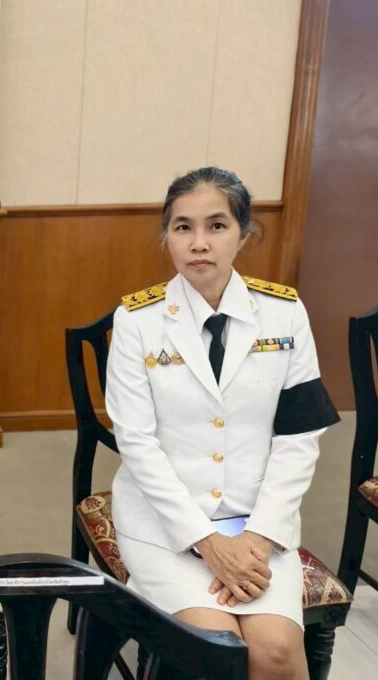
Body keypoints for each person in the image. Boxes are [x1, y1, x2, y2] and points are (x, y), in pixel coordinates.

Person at [106, 167, 339, 679]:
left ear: (243, 234)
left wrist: (259, 537)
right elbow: (137, 444)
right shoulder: (137, 321)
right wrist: (206, 542)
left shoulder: (284, 313)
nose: (199, 243)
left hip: (258, 522)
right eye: (182, 227)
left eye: (216, 226)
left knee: (277, 652)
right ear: (166, 236)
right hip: (166, 525)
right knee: (215, 648)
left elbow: (299, 438)